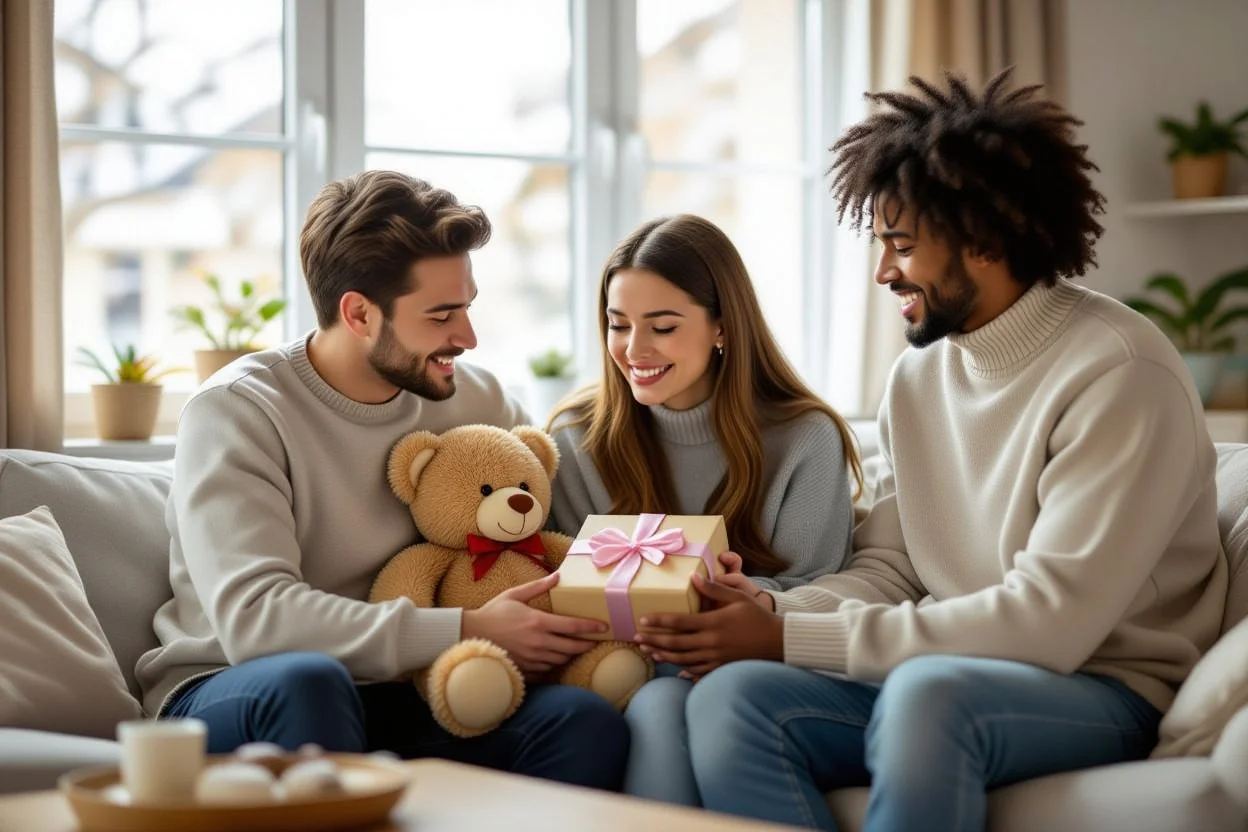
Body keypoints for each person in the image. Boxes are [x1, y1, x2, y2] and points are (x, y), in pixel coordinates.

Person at [633, 70, 1229, 830]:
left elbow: (1050, 623)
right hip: (954, 670)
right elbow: (894, 566)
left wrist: (787, 634)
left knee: (928, 694)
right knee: (730, 695)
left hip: (1102, 685)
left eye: (902, 245)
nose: (883, 271)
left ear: (983, 239)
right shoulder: (919, 376)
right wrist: (766, 608)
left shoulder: (1120, 371)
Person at [134, 170, 629, 790]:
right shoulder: (239, 411)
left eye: (468, 307)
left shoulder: (479, 400)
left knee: (581, 720)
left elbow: (548, 546)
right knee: (309, 681)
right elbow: (256, 622)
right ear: (360, 313)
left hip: (408, 686)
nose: (468, 337)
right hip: (232, 685)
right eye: (442, 315)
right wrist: (467, 628)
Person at [547, 213, 863, 805]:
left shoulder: (804, 437)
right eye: (618, 325)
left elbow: (816, 590)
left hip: (757, 669)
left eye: (662, 327)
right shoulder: (574, 439)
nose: (634, 350)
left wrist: (745, 601)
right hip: (625, 667)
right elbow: (563, 585)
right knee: (659, 703)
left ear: (722, 326)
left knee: (668, 703)